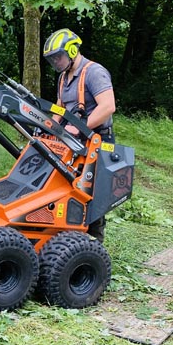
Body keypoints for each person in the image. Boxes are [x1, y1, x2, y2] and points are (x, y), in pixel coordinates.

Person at [43, 28, 116, 242]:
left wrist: (80, 127)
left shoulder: (94, 72)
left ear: (73, 51)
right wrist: (50, 128)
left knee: (93, 192)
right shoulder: (64, 78)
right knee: (69, 188)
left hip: (98, 141)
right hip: (73, 142)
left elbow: (108, 106)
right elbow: (60, 107)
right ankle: (68, 236)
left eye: (58, 57)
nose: (56, 62)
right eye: (52, 59)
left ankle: (94, 243)